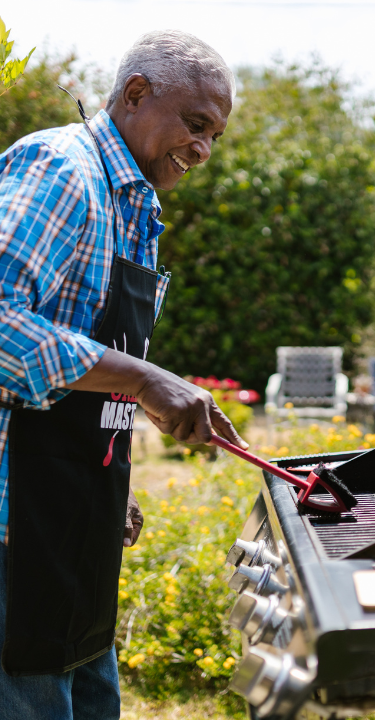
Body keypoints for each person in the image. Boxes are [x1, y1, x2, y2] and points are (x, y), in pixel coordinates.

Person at [0, 30, 247, 719]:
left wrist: (106, 477)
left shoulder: (134, 204)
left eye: (214, 136)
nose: (202, 148)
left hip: (74, 515)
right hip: (12, 533)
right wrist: (146, 380)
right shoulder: (61, 170)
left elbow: (84, 357)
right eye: (195, 124)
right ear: (135, 94)